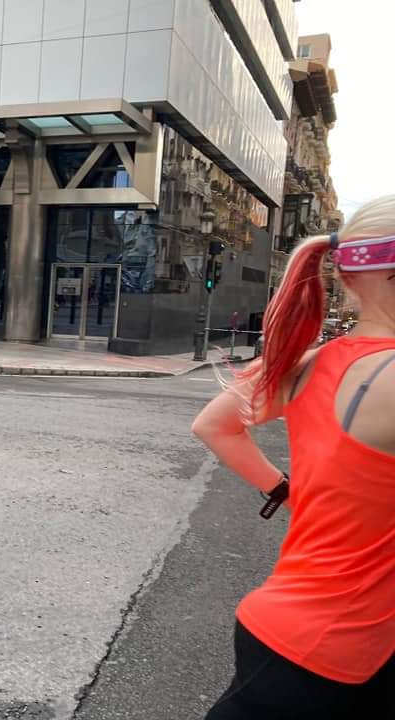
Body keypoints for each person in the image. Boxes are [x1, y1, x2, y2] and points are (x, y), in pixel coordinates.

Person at [192, 194, 395, 719]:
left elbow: (214, 424)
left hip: (301, 632)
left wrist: (289, 493)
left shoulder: (311, 361)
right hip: (329, 651)